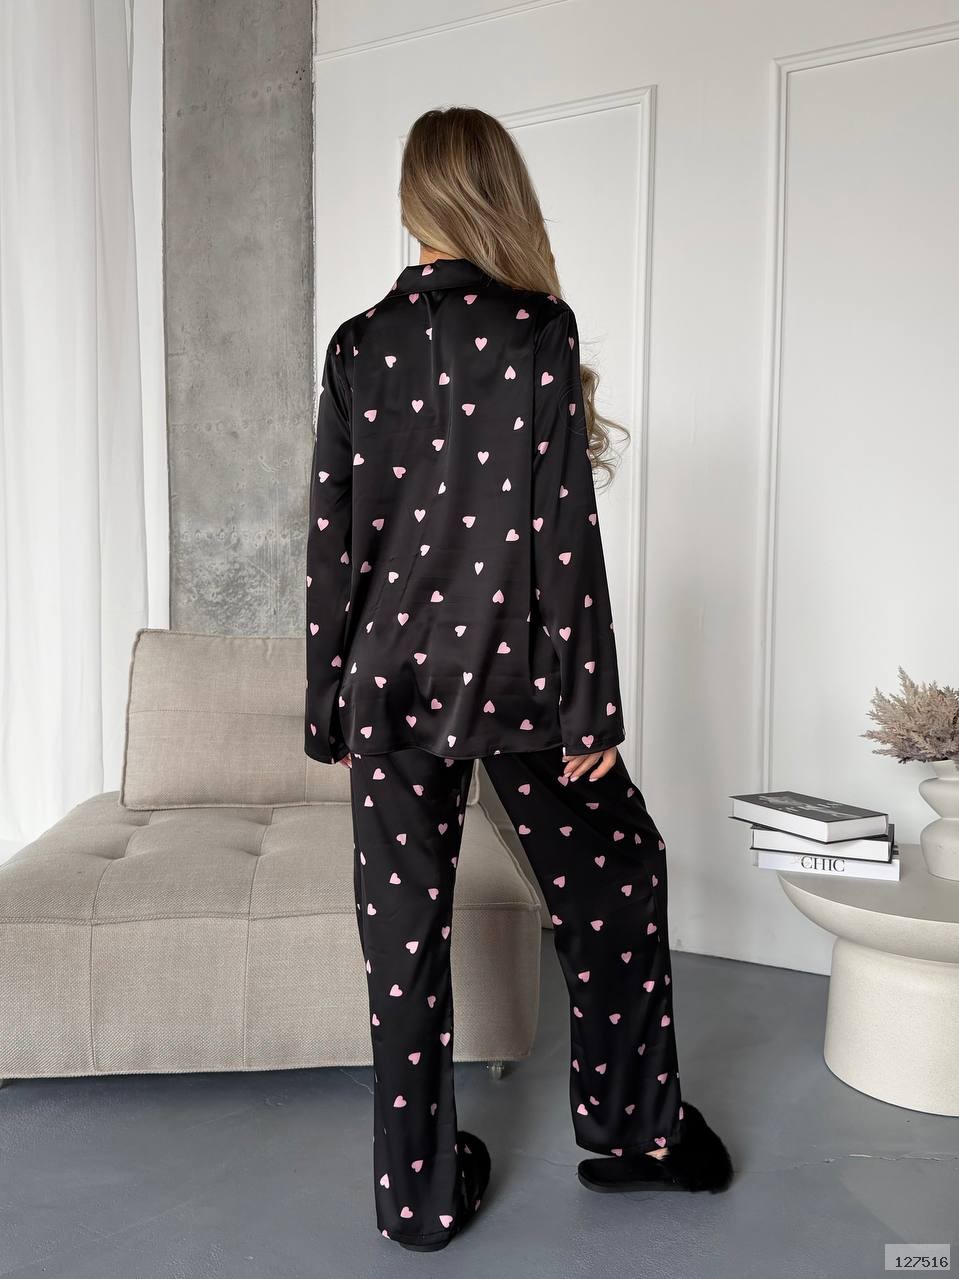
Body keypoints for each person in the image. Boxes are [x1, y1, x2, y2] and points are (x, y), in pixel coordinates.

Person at [303, 105, 732, 1252]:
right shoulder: (536, 328)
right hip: (516, 677)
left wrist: (328, 704)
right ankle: (637, 1131)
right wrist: (591, 705)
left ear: (412, 201)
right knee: (616, 871)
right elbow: (559, 535)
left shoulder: (355, 344)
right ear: (498, 193)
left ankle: (416, 1198)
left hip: (385, 685)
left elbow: (332, 541)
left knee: (400, 936)